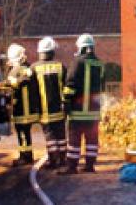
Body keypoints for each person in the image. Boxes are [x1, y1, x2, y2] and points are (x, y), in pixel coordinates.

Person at [60, 34, 105, 175]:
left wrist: (66, 103)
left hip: (78, 111)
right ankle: (90, 166)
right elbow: (102, 88)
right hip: (94, 112)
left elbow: (70, 85)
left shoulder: (77, 62)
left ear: (81, 47)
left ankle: (72, 167)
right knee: (92, 139)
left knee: (74, 139)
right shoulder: (100, 64)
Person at [31, 36, 67, 169]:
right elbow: (66, 87)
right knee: (61, 135)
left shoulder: (34, 68)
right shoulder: (60, 66)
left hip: (44, 110)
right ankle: (62, 159)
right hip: (59, 109)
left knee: (50, 135)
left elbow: (32, 91)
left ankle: (53, 160)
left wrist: (35, 109)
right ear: (52, 51)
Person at [5, 43, 40, 166]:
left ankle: (25, 157)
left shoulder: (16, 71)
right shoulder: (29, 69)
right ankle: (26, 155)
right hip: (29, 108)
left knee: (22, 134)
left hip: (21, 109)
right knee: (25, 133)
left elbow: (11, 84)